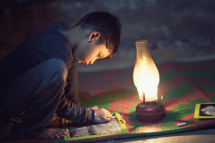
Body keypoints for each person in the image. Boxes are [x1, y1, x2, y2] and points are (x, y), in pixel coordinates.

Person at [0, 11, 121, 140]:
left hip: (12, 94)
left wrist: (78, 108)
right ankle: (30, 130)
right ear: (93, 36)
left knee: (59, 70)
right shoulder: (58, 55)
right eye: (98, 55)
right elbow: (58, 103)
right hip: (4, 99)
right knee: (56, 69)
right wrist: (89, 115)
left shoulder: (60, 31)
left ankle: (13, 120)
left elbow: (69, 71)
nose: (92, 62)